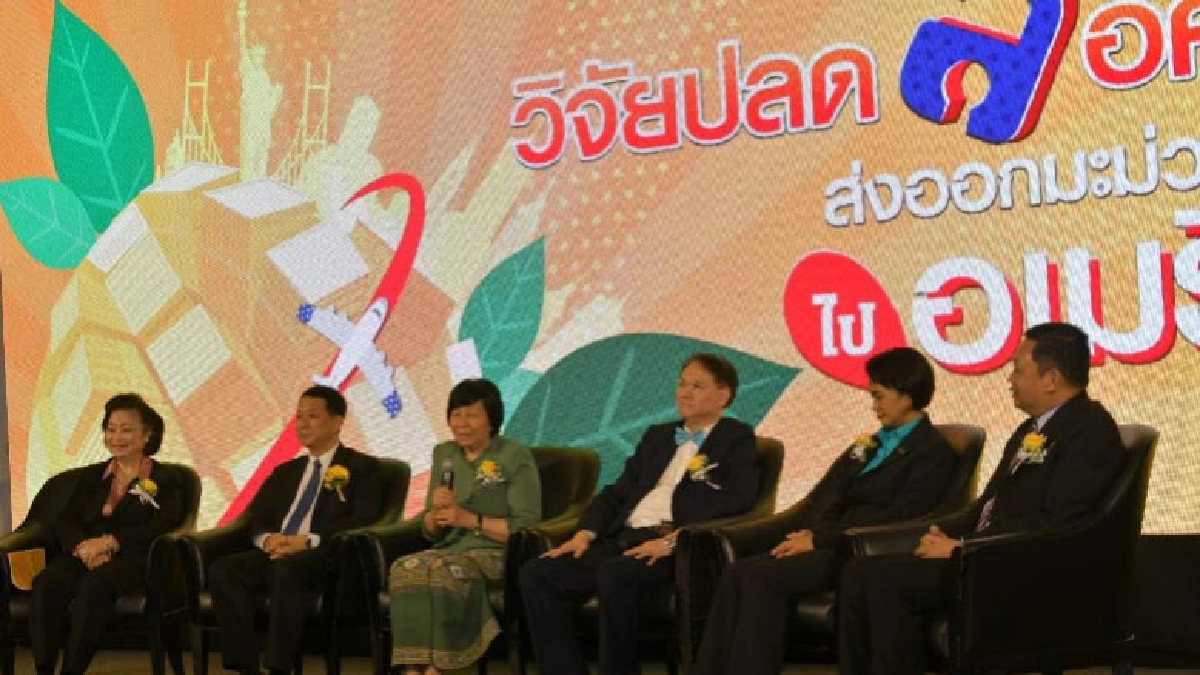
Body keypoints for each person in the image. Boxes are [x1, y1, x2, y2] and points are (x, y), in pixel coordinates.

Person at [838, 322, 1125, 675]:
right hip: (987, 556)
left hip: (1021, 568)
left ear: (1051, 379)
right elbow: (988, 508)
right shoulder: (1031, 429)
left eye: (1018, 370)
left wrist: (963, 548)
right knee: (858, 572)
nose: (1010, 379)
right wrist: (939, 533)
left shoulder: (1090, 429)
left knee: (883, 582)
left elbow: (1056, 523)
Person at [691, 346, 957, 675]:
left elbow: (900, 518)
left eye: (879, 396)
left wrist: (820, 539)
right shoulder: (868, 445)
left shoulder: (932, 452)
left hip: (858, 549)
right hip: (829, 539)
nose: (874, 405)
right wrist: (808, 532)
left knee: (761, 578)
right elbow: (827, 497)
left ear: (906, 394)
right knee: (736, 572)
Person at [519, 353, 760, 675]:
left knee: (616, 574)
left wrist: (675, 540)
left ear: (723, 395)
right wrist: (584, 534)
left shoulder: (736, 438)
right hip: (622, 539)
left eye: (697, 386)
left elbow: (739, 500)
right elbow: (617, 493)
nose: (685, 393)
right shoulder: (657, 436)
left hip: (672, 546)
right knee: (537, 573)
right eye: (682, 384)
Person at [209, 385, 384, 675]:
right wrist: (268, 540)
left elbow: (363, 519)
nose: (302, 424)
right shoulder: (285, 472)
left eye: (312, 416)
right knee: (224, 570)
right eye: (298, 416)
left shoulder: (362, 468)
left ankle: (279, 667)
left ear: (337, 422)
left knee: (288, 569)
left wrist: (307, 541)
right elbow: (256, 518)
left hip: (325, 556)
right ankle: (245, 665)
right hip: (278, 552)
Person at [388, 379, 542, 674]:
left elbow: (526, 527)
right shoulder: (444, 454)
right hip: (448, 548)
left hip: (496, 551)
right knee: (404, 567)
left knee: (444, 572)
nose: (462, 424)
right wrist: (434, 516)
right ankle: (412, 668)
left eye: (472, 415)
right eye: (456, 415)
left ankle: (439, 669)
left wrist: (469, 520)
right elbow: (430, 530)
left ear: (491, 420)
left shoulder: (513, 455)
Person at [29, 393, 185, 675]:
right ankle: (43, 669)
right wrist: (82, 547)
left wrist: (111, 542)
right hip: (86, 554)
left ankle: (72, 671)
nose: (116, 437)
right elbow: (68, 519)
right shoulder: (91, 475)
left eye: (126, 430)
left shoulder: (165, 479)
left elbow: (164, 524)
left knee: (95, 586)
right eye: (110, 429)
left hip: (134, 558)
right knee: (46, 583)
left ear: (147, 434)